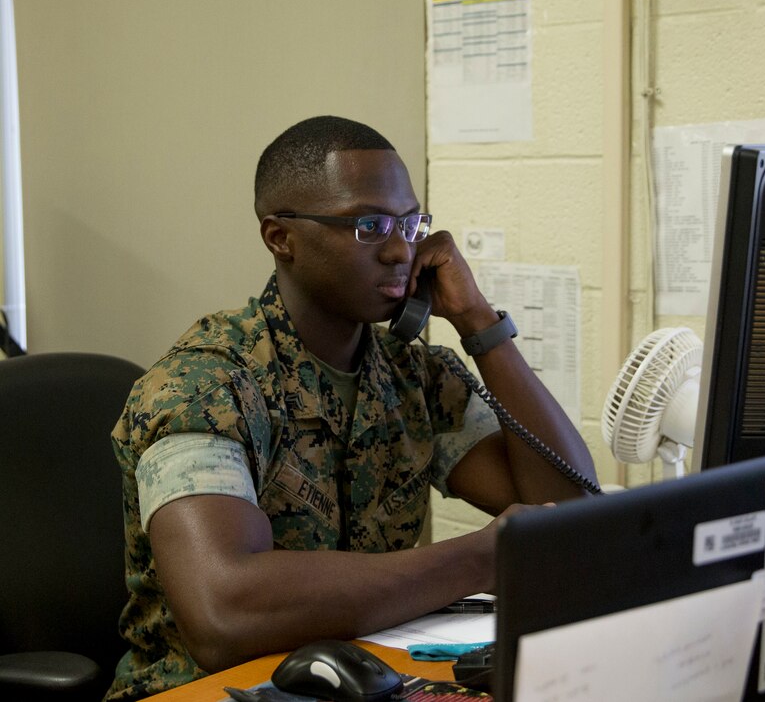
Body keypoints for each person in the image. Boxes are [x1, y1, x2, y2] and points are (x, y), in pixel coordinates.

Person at [106, 116, 598, 701]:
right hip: (203, 692)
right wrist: (478, 558)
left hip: (362, 680)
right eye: (368, 225)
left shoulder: (412, 374)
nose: (399, 249)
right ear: (279, 237)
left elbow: (567, 516)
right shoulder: (206, 383)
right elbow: (223, 610)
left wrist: (478, 322)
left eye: (411, 224)